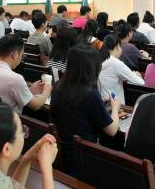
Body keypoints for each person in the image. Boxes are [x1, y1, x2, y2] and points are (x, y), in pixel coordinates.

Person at [50, 45, 119, 176]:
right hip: (84, 159)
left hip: (61, 153)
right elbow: (112, 131)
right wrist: (115, 107)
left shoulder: (58, 86)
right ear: (93, 68)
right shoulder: (90, 94)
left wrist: (99, 104)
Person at [0, 34, 51, 114]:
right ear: (15, 55)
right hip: (7, 120)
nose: (21, 59)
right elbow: (36, 105)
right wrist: (46, 91)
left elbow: (8, 93)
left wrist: (29, 91)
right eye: (22, 55)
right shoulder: (15, 79)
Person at [98, 34, 144, 104]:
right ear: (117, 46)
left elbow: (110, 77)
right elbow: (141, 82)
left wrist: (128, 76)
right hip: (116, 106)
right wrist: (134, 75)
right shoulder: (116, 63)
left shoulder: (100, 59)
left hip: (102, 103)